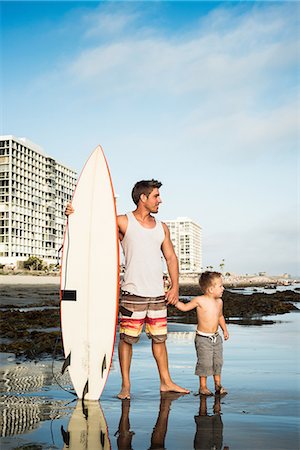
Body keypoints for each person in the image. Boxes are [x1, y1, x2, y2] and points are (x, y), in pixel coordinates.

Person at [65, 179, 189, 399]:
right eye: (156, 196)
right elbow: (96, 229)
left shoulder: (162, 228)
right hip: (133, 293)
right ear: (143, 198)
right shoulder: (123, 221)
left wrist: (175, 287)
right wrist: (75, 214)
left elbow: (171, 258)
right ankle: (126, 386)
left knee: (160, 340)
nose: (160, 200)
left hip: (158, 295)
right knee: (127, 340)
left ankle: (166, 381)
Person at [174, 271, 229, 396]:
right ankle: (203, 387)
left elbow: (220, 316)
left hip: (216, 337)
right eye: (220, 286)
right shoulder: (200, 300)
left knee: (217, 361)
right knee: (205, 362)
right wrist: (175, 301)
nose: (223, 288)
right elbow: (184, 307)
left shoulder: (219, 302)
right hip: (203, 338)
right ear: (210, 289)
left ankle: (218, 384)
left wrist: (225, 330)